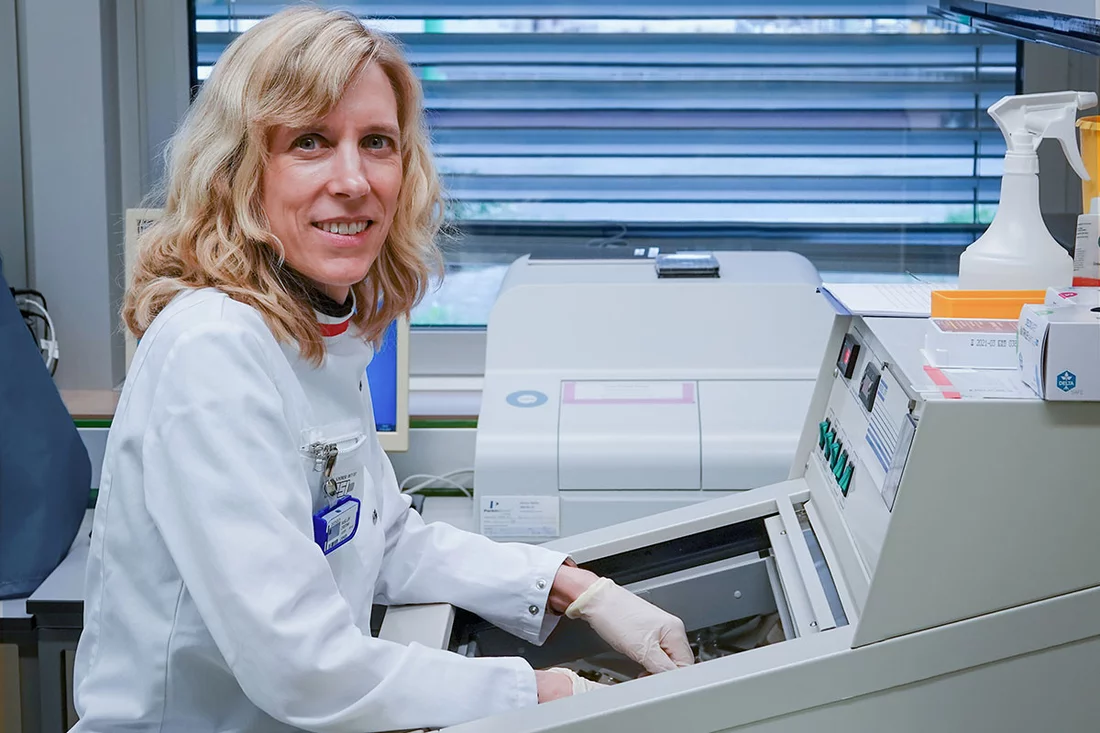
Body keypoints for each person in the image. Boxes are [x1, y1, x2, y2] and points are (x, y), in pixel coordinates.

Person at [71, 7, 693, 732]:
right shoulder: (213, 349)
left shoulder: (316, 327)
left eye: (376, 143)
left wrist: (571, 587)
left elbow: (382, 533)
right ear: (240, 170)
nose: (354, 179)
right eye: (309, 142)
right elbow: (303, 666)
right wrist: (547, 691)